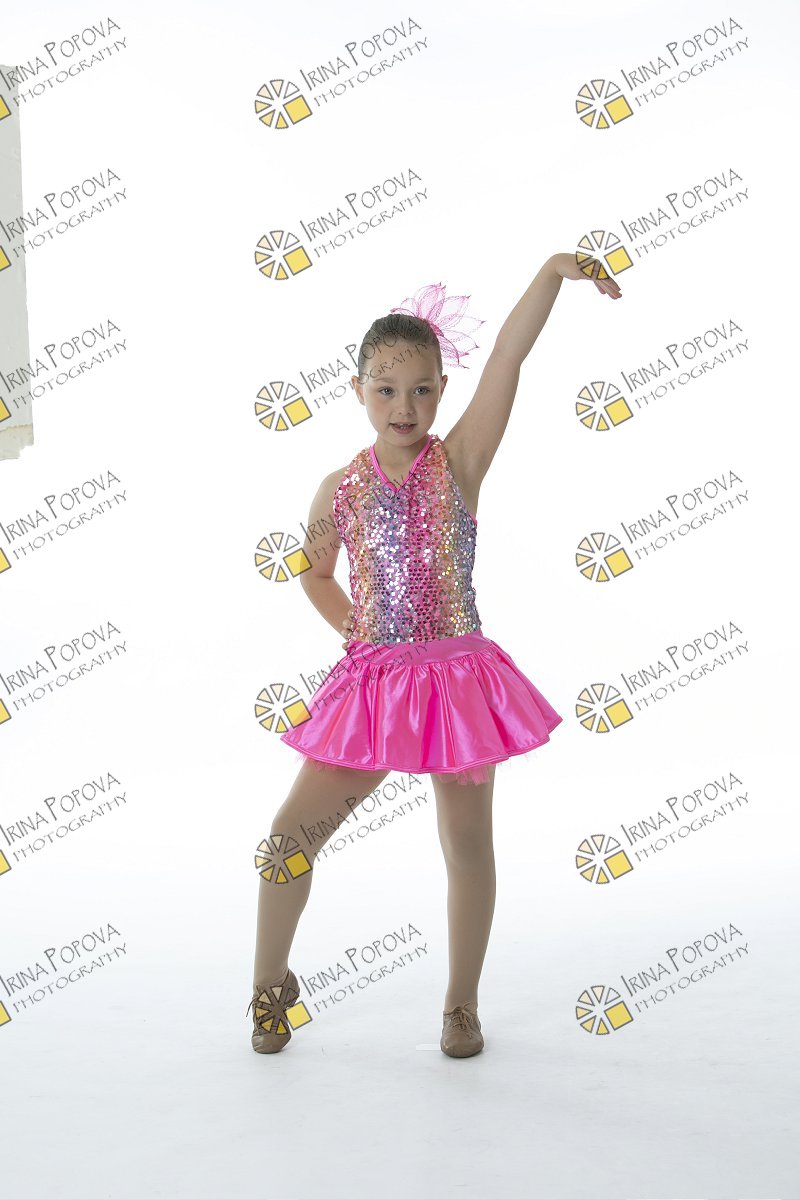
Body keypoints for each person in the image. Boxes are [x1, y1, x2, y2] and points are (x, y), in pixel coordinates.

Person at [248, 255, 622, 1059]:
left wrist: (552, 275)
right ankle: (269, 985)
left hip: (455, 685)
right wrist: (357, 630)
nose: (404, 406)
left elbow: (508, 357)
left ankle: (460, 1005)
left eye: (421, 389)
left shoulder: (460, 462)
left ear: (443, 390)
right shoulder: (339, 488)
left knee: (467, 846)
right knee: (288, 839)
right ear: (357, 390)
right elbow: (314, 573)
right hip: (377, 685)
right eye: (386, 389)